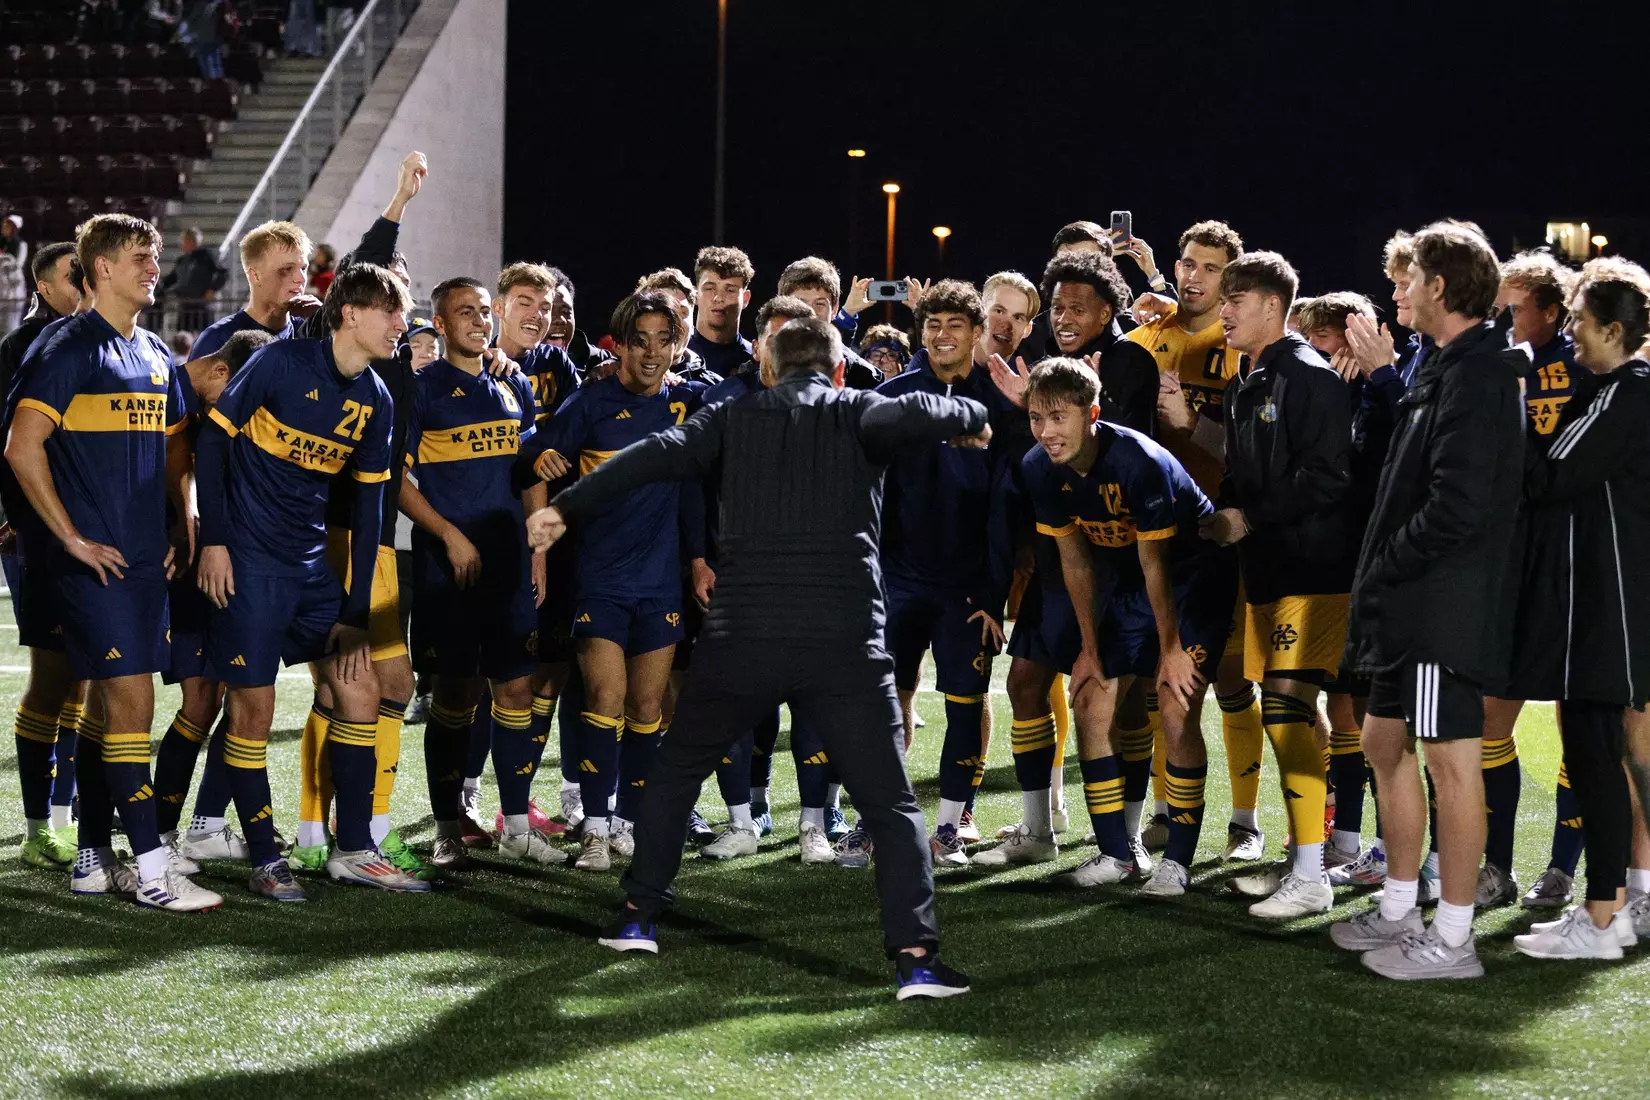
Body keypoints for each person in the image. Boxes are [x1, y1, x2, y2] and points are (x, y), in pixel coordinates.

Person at [528, 315, 984, 999]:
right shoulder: (862, 410)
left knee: (677, 772)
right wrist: (971, 411)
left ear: (768, 369)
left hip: (743, 638)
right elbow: (931, 408)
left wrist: (564, 507)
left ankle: (637, 916)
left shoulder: (732, 419)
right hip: (845, 644)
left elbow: (651, 453)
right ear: (835, 370)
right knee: (890, 805)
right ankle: (915, 960)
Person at [193, 263, 428, 899]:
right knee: (253, 711)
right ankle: (267, 858)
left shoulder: (376, 396)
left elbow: (374, 507)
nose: (400, 326)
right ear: (350, 313)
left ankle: (352, 849)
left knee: (360, 689)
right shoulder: (279, 365)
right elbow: (211, 447)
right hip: (247, 565)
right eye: (391, 313)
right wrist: (212, 540)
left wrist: (355, 609)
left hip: (310, 566)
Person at [5, 214, 219, 911]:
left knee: (106, 713)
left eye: (155, 256)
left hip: (140, 565)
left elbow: (173, 448)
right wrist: (66, 537)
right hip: (88, 568)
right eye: (139, 258)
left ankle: (93, 858)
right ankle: (153, 872)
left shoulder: (156, 352)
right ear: (97, 269)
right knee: (132, 705)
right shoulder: (65, 347)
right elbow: (19, 446)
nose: (153, 268)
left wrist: (178, 519)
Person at [1332, 223, 1525, 979]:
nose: (1398, 291)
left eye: (1408, 280)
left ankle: (1452, 939)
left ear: (1439, 286)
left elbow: (1459, 506)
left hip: (1441, 606)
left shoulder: (1477, 373)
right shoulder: (1443, 366)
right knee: (1382, 743)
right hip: (1409, 602)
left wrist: (1391, 564)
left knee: (1451, 763)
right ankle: (1396, 908)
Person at [1009, 358, 1235, 893]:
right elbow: (1075, 561)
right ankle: (1119, 854)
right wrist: (1088, 648)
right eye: (1037, 418)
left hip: (1193, 578)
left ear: (1091, 414)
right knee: (1090, 699)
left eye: (1058, 418)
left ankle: (1177, 860)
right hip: (1124, 579)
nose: (1046, 431)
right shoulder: (1039, 466)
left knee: (1175, 707)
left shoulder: (1140, 462)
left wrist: (1173, 648)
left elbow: (1159, 565)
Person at [520, 290, 709, 871]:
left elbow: (693, 492)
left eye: (663, 340)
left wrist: (700, 560)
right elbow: (533, 459)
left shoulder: (689, 405)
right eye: (640, 340)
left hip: (661, 583)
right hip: (599, 578)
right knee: (605, 698)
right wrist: (542, 475)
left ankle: (628, 821)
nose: (651, 353)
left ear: (677, 345)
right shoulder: (591, 403)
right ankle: (596, 829)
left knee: (649, 707)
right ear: (620, 345)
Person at [1200, 250, 1353, 919]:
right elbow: (1243, 476)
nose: (1223, 310)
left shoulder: (1310, 377)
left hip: (1313, 572)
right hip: (1266, 572)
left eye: (1235, 298)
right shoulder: (1247, 383)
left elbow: (1328, 479)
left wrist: (1249, 517)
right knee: (1290, 711)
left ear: (1271, 304)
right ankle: (1311, 856)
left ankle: (1315, 873)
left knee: (1288, 710)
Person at [1508, 258, 1650, 961]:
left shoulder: (1624, 393)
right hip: (1610, 601)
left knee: (1598, 754)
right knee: (1600, 752)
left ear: (1616, 330)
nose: (1573, 338)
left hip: (1612, 605)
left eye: (1582, 325)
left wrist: (1502, 407)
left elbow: (1549, 475)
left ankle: (1602, 919)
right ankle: (1612, 909)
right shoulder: (1622, 390)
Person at [396, 277, 562, 871]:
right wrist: (448, 534)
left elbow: (529, 464)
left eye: (481, 312)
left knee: (516, 688)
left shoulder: (511, 381)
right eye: (462, 313)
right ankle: (447, 827)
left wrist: (539, 540)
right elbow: (397, 482)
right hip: (450, 569)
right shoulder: (421, 391)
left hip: (511, 566)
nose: (477, 322)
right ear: (439, 326)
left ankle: (515, 824)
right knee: (455, 694)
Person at [1131, 220, 1269, 863]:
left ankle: (1245, 821)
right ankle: (1164, 805)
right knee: (1165, 676)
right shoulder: (1143, 337)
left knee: (1236, 680)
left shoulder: (1247, 344)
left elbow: (1265, 448)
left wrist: (1198, 425)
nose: (1192, 276)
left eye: (1210, 268)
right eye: (1187, 263)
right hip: (1160, 535)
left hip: (1231, 534)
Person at [875, 280, 1022, 866]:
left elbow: (1005, 505)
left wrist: (994, 589)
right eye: (932, 325)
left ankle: (949, 828)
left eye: (955, 326)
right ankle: (879, 819)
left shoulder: (1000, 405)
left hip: (967, 588)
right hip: (899, 581)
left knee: (966, 701)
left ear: (976, 332)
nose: (942, 336)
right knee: (885, 703)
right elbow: (872, 493)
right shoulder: (891, 397)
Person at [1477, 249, 1581, 909]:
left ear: (1552, 310)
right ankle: (1496, 866)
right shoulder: (1491, 367)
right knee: (1490, 721)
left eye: (1515, 308)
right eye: (1497, 308)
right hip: (1509, 565)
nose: (1504, 320)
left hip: (1572, 564)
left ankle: (1564, 869)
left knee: (1583, 722)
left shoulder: (1590, 372)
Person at [0, 240, 86, 871]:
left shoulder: (98, 341)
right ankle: (39, 825)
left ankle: (64, 814)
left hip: (90, 535)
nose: (83, 284)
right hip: (41, 535)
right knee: (52, 678)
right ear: (42, 285)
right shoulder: (24, 347)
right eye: (72, 276)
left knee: (81, 680)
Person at [191, 221, 315, 358]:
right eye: (286, 269)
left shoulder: (314, 333)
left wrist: (330, 324)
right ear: (255, 275)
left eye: (303, 268)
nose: (301, 279)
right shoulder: (218, 341)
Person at [775, 257, 880, 388]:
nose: (811, 312)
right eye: (800, 303)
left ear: (835, 309)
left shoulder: (864, 377)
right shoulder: (760, 367)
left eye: (820, 304)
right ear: (782, 306)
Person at [687, 247, 755, 378]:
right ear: (695, 295)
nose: (718, 298)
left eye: (730, 290)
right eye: (710, 288)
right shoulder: (675, 357)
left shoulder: (758, 361)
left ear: (746, 298)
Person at [160, 228, 226, 334]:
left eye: (184, 240)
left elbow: (223, 273)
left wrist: (212, 289)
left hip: (202, 306)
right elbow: (171, 279)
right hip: (185, 306)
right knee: (183, 337)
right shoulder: (182, 261)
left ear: (192, 241)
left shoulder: (207, 256)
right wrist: (159, 285)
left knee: (204, 339)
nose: (181, 244)